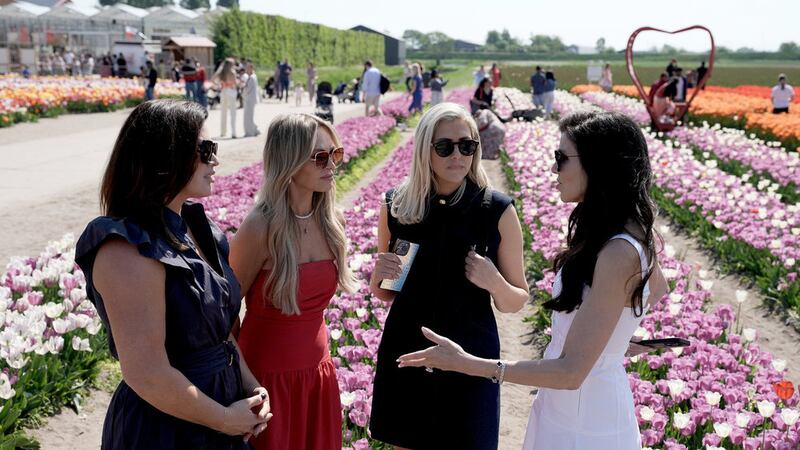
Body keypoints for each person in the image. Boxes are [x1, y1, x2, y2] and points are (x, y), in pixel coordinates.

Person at [397, 110, 669, 450]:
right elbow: (658, 288)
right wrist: (611, 339)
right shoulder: (623, 230)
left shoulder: (618, 251)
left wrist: (467, 364)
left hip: (588, 424)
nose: (554, 169)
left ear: (598, 165)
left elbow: (571, 373)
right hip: (565, 407)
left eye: (561, 158)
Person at [74, 100, 272, 449]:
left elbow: (220, 335)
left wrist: (251, 386)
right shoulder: (126, 247)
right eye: (206, 150)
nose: (215, 161)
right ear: (166, 156)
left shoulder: (197, 227)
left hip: (220, 412)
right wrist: (225, 419)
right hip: (165, 427)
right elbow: (147, 373)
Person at [369, 102, 529, 449]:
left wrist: (493, 281)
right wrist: (377, 279)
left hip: (470, 358)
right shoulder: (399, 206)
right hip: (408, 349)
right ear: (425, 150)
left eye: (467, 145)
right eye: (445, 146)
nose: (458, 155)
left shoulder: (495, 210)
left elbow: (516, 300)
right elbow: (389, 290)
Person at [231, 113, 357, 449]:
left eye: (336, 154)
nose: (332, 165)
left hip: (318, 374)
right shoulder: (260, 227)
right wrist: (241, 379)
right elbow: (223, 313)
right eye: (320, 157)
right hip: (265, 378)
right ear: (289, 161)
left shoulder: (332, 221)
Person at [214, 58, 239, 139]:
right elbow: (235, 83)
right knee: (233, 113)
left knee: (223, 113)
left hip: (223, 91)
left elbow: (213, 79)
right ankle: (233, 132)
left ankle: (223, 132)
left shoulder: (221, 72)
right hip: (231, 91)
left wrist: (219, 84)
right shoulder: (232, 72)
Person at [243, 62, 260, 137]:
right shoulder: (252, 76)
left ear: (251, 68)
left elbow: (248, 89)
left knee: (248, 116)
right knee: (249, 116)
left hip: (250, 99)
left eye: (247, 68)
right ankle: (255, 130)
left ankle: (250, 132)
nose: (246, 69)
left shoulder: (251, 78)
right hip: (251, 99)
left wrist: (243, 92)